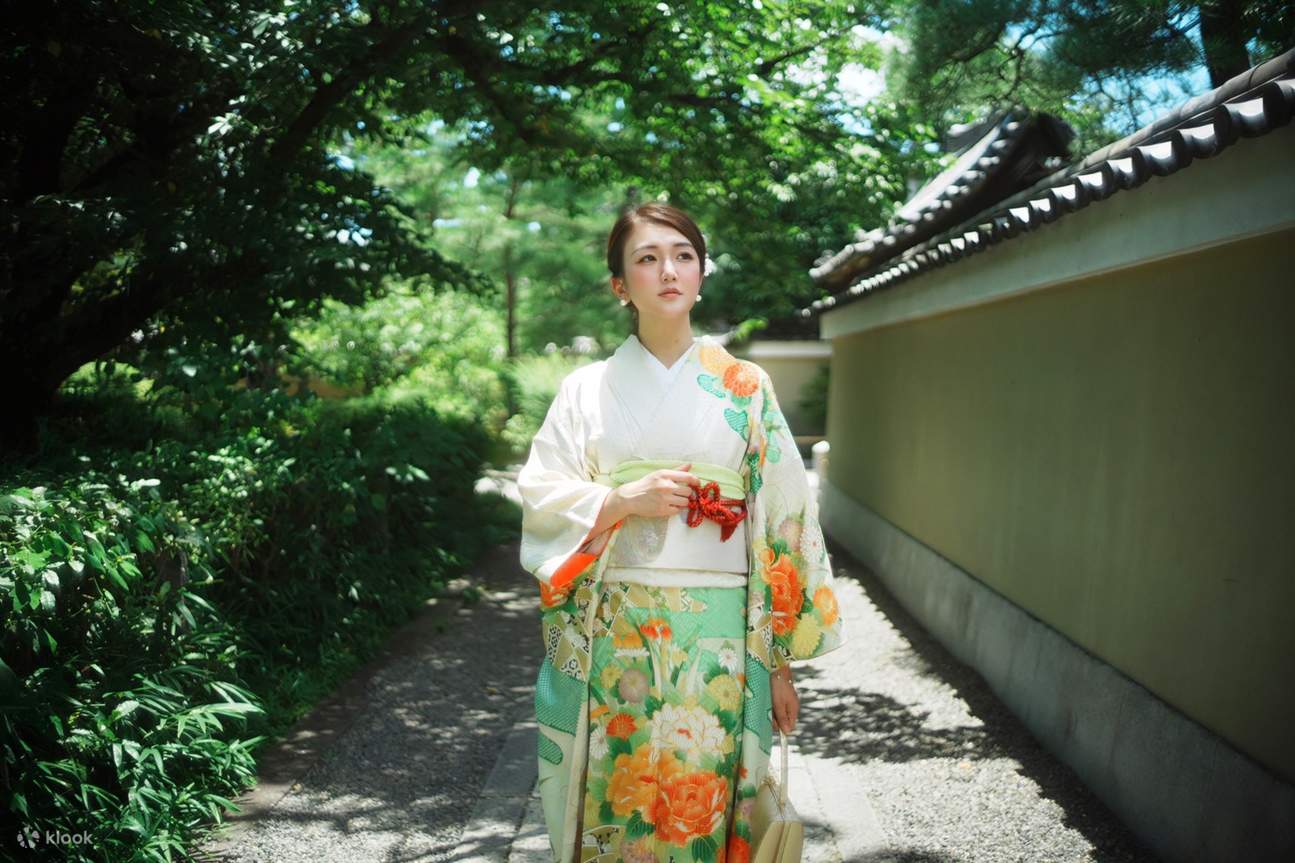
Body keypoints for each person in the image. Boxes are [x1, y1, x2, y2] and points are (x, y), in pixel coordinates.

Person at [518, 202, 845, 863]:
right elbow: (542, 492)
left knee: (711, 801)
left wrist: (779, 661)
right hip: (617, 629)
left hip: (725, 638)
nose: (667, 269)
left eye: (683, 255)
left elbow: (783, 519)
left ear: (699, 273)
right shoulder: (584, 389)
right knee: (621, 794)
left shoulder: (745, 386)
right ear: (619, 285)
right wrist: (617, 499)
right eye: (646, 258)